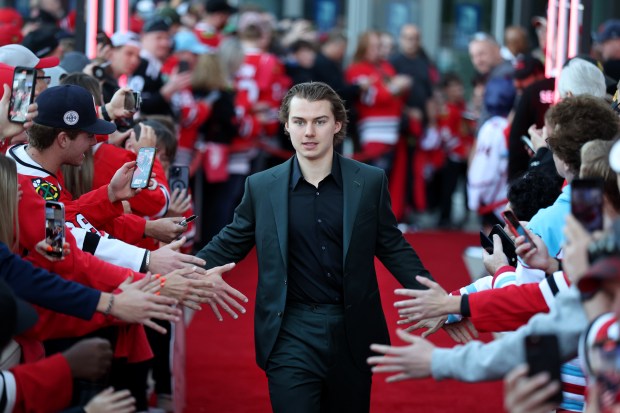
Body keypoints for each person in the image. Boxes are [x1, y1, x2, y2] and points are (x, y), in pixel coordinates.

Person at [195, 82, 445, 412]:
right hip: (289, 330)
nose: (308, 132)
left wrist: (440, 299)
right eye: (299, 122)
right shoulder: (261, 187)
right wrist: (179, 273)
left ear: (337, 124)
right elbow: (230, 241)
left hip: (352, 330)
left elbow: (392, 245)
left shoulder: (368, 182)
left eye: (320, 121)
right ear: (286, 126)